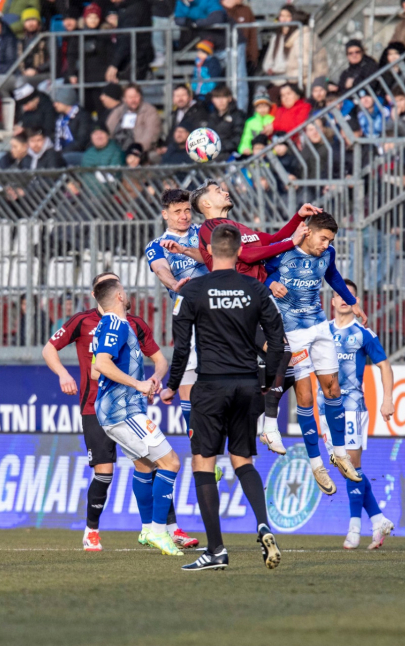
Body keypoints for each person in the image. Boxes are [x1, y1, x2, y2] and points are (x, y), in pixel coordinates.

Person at [41, 271, 197, 552]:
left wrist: (153, 380)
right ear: (108, 294)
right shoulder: (93, 322)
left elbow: (159, 360)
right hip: (106, 406)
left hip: (124, 404)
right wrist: (64, 374)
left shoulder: (131, 323)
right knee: (113, 471)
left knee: (149, 463)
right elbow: (78, 358)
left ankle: (158, 529)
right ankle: (94, 530)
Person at [160, 224, 285, 571]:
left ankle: (216, 551)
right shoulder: (256, 288)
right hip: (247, 385)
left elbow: (182, 348)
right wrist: (266, 380)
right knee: (243, 460)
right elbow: (278, 340)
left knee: (204, 462)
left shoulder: (194, 290)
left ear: (209, 252)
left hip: (211, 386)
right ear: (239, 253)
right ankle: (262, 523)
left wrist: (171, 385)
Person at [260, 212, 365, 492]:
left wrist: (352, 302)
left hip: (319, 326)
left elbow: (332, 275)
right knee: (304, 396)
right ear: (307, 232)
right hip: (292, 331)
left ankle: (340, 453)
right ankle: (316, 463)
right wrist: (270, 282)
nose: (326, 244)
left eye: (330, 240)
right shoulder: (283, 251)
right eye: (323, 238)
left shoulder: (327, 253)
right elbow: (258, 271)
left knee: (333, 390)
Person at [90, 277, 183, 556]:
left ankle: (146, 529)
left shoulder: (109, 325)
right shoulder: (116, 324)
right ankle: (158, 531)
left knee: (144, 466)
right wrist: (138, 385)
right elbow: (103, 364)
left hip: (120, 408)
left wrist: (144, 384)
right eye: (125, 291)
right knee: (171, 462)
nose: (128, 294)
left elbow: (99, 367)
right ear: (119, 296)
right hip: (122, 411)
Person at [318, 285, 396, 549]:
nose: (343, 299)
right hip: (325, 408)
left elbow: (385, 365)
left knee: (351, 463)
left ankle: (354, 528)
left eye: (348, 296)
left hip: (352, 406)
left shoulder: (363, 334)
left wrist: (387, 399)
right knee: (346, 467)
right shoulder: (322, 331)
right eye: (339, 294)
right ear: (331, 301)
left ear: (356, 302)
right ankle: (378, 519)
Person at [145, 188, 209, 432]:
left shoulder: (204, 233)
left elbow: (212, 258)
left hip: (217, 309)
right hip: (189, 316)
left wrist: (183, 250)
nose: (184, 216)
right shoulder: (155, 246)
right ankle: (200, 452)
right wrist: (174, 284)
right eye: (177, 212)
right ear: (165, 214)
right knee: (188, 387)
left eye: (186, 210)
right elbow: (161, 270)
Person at [105, 84, 161, 153]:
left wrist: (136, 149)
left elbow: (151, 136)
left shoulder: (150, 111)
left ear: (141, 97)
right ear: (124, 99)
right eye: (130, 97)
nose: (133, 100)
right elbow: (108, 130)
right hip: (118, 150)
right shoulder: (118, 111)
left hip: (141, 151)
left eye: (136, 96)